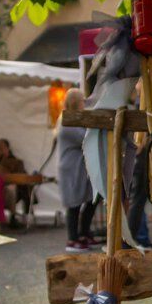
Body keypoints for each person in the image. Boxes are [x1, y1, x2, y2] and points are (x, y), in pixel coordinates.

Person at [57, 89, 98, 253]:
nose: (84, 103)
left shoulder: (76, 119)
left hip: (80, 167)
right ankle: (72, 238)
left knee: (92, 199)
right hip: (72, 168)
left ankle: (83, 233)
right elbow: (85, 138)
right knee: (73, 203)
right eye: (82, 100)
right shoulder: (67, 121)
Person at [0, 138, 32, 225]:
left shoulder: (16, 161)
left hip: (12, 188)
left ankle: (13, 216)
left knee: (11, 188)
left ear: (7, 148)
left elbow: (20, 176)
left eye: (2, 147)